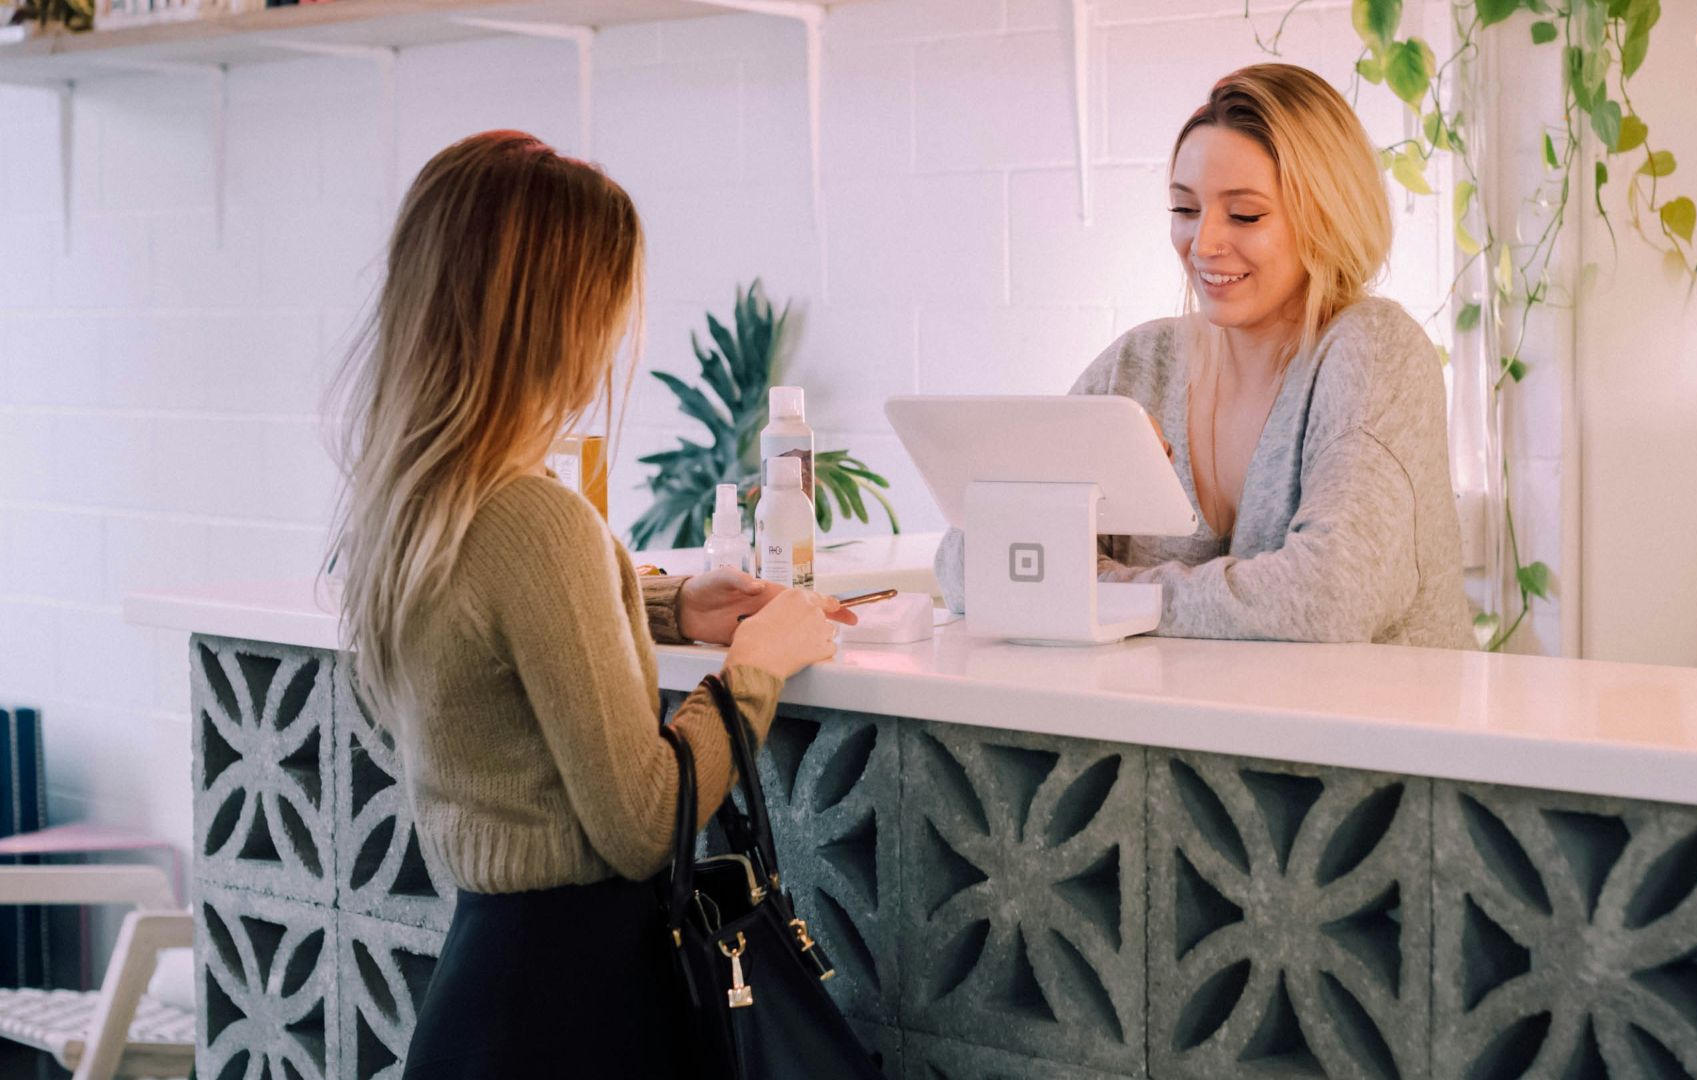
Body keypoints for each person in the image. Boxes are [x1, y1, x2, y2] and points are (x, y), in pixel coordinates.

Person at [326, 130, 853, 1078]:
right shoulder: (536, 520)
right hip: (579, 1011)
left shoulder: (414, 504)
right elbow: (646, 818)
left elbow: (499, 617)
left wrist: (665, 608)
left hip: (481, 996)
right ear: (558, 316)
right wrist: (758, 664)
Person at [936, 64, 1472, 648]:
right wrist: (1072, 504)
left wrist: (1105, 593)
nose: (1204, 243)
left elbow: (1328, 598)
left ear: (1328, 216)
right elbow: (968, 568)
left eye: (1244, 214)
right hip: (1187, 732)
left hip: (1366, 734)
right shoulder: (1142, 365)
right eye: (1185, 210)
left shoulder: (1373, 351)